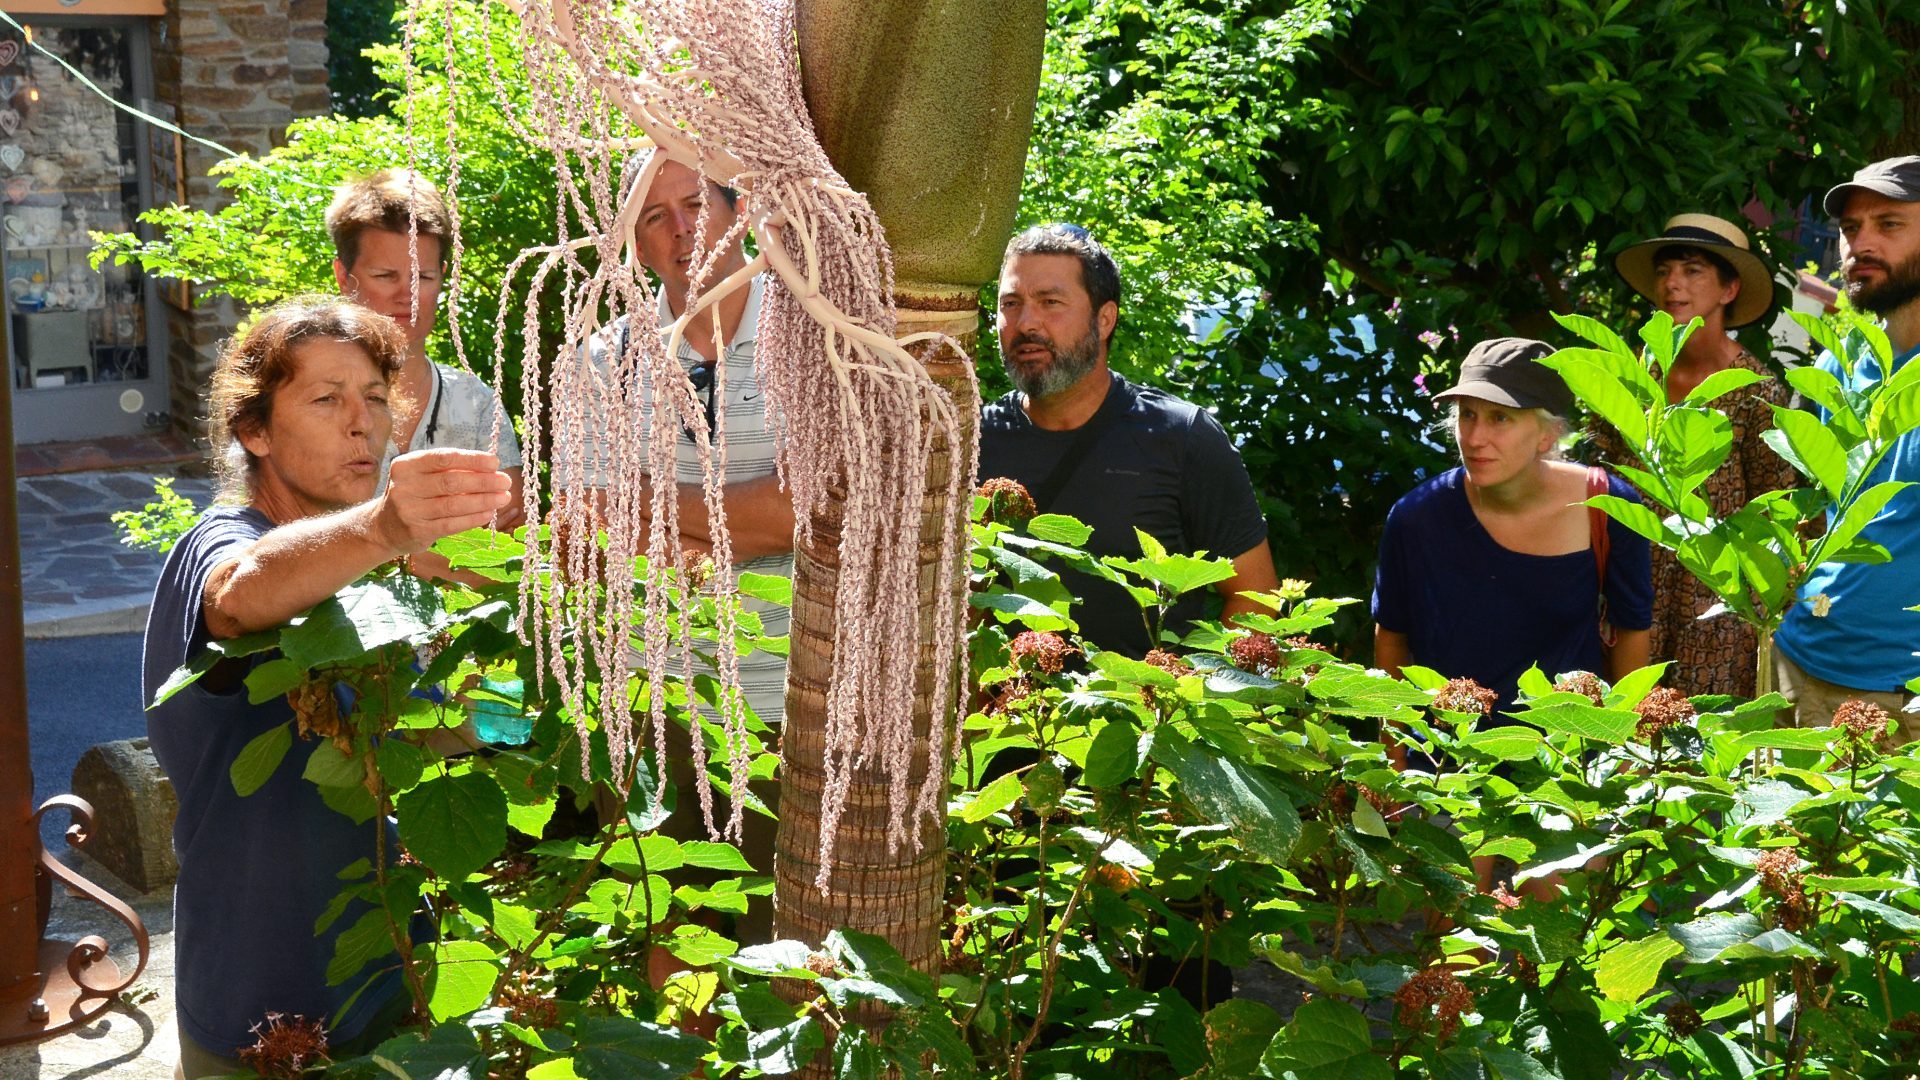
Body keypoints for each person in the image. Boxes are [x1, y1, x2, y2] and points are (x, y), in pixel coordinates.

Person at [142, 298, 512, 1077]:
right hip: (257, 1008)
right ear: (256, 431)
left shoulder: (381, 582)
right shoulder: (218, 544)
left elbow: (431, 739)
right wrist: (385, 529)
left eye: (376, 397)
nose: (362, 424)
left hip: (388, 986)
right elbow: (241, 590)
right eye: (326, 398)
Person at [578, 156, 790, 943]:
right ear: (634, 241)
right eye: (653, 216)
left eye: (696, 204)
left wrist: (655, 515)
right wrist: (749, 514)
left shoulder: (804, 340)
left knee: (783, 951)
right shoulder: (605, 358)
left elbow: (805, 514)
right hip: (654, 702)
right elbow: (591, 521)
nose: (680, 230)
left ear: (741, 214)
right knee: (670, 943)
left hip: (786, 703)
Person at [978, 223, 1278, 655]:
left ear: (1104, 319)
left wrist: (1187, 702)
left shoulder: (1180, 438)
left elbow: (1256, 599)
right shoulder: (975, 442)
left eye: (1050, 302)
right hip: (1009, 719)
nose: (1026, 323)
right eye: (1011, 304)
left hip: (1149, 718)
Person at [1373, 337, 1653, 714]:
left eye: (1499, 418)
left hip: (1568, 758)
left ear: (1547, 432)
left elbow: (1632, 633)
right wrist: (1394, 759)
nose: (1474, 438)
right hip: (1443, 758)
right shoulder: (1415, 517)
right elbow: (1391, 639)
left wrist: (1623, 754)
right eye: (1467, 414)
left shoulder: (1607, 507)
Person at [1591, 213, 1797, 698]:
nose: (1672, 284)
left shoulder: (1755, 389)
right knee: (1613, 730)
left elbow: (1775, 506)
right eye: (1664, 271)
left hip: (1713, 603)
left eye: (1691, 270)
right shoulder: (1635, 375)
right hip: (1625, 580)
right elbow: (1600, 476)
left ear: (1728, 290)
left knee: (1701, 743)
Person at [1773, 157, 1920, 739]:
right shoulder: (1841, 363)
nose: (1860, 244)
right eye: (1852, 229)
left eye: (1889, 225)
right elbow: (1827, 509)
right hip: (1799, 660)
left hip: (1899, 691)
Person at [327, 168, 524, 529]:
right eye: (386, 276)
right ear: (343, 276)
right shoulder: (311, 400)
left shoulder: (476, 405)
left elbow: (507, 551)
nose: (408, 296)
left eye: (424, 277)